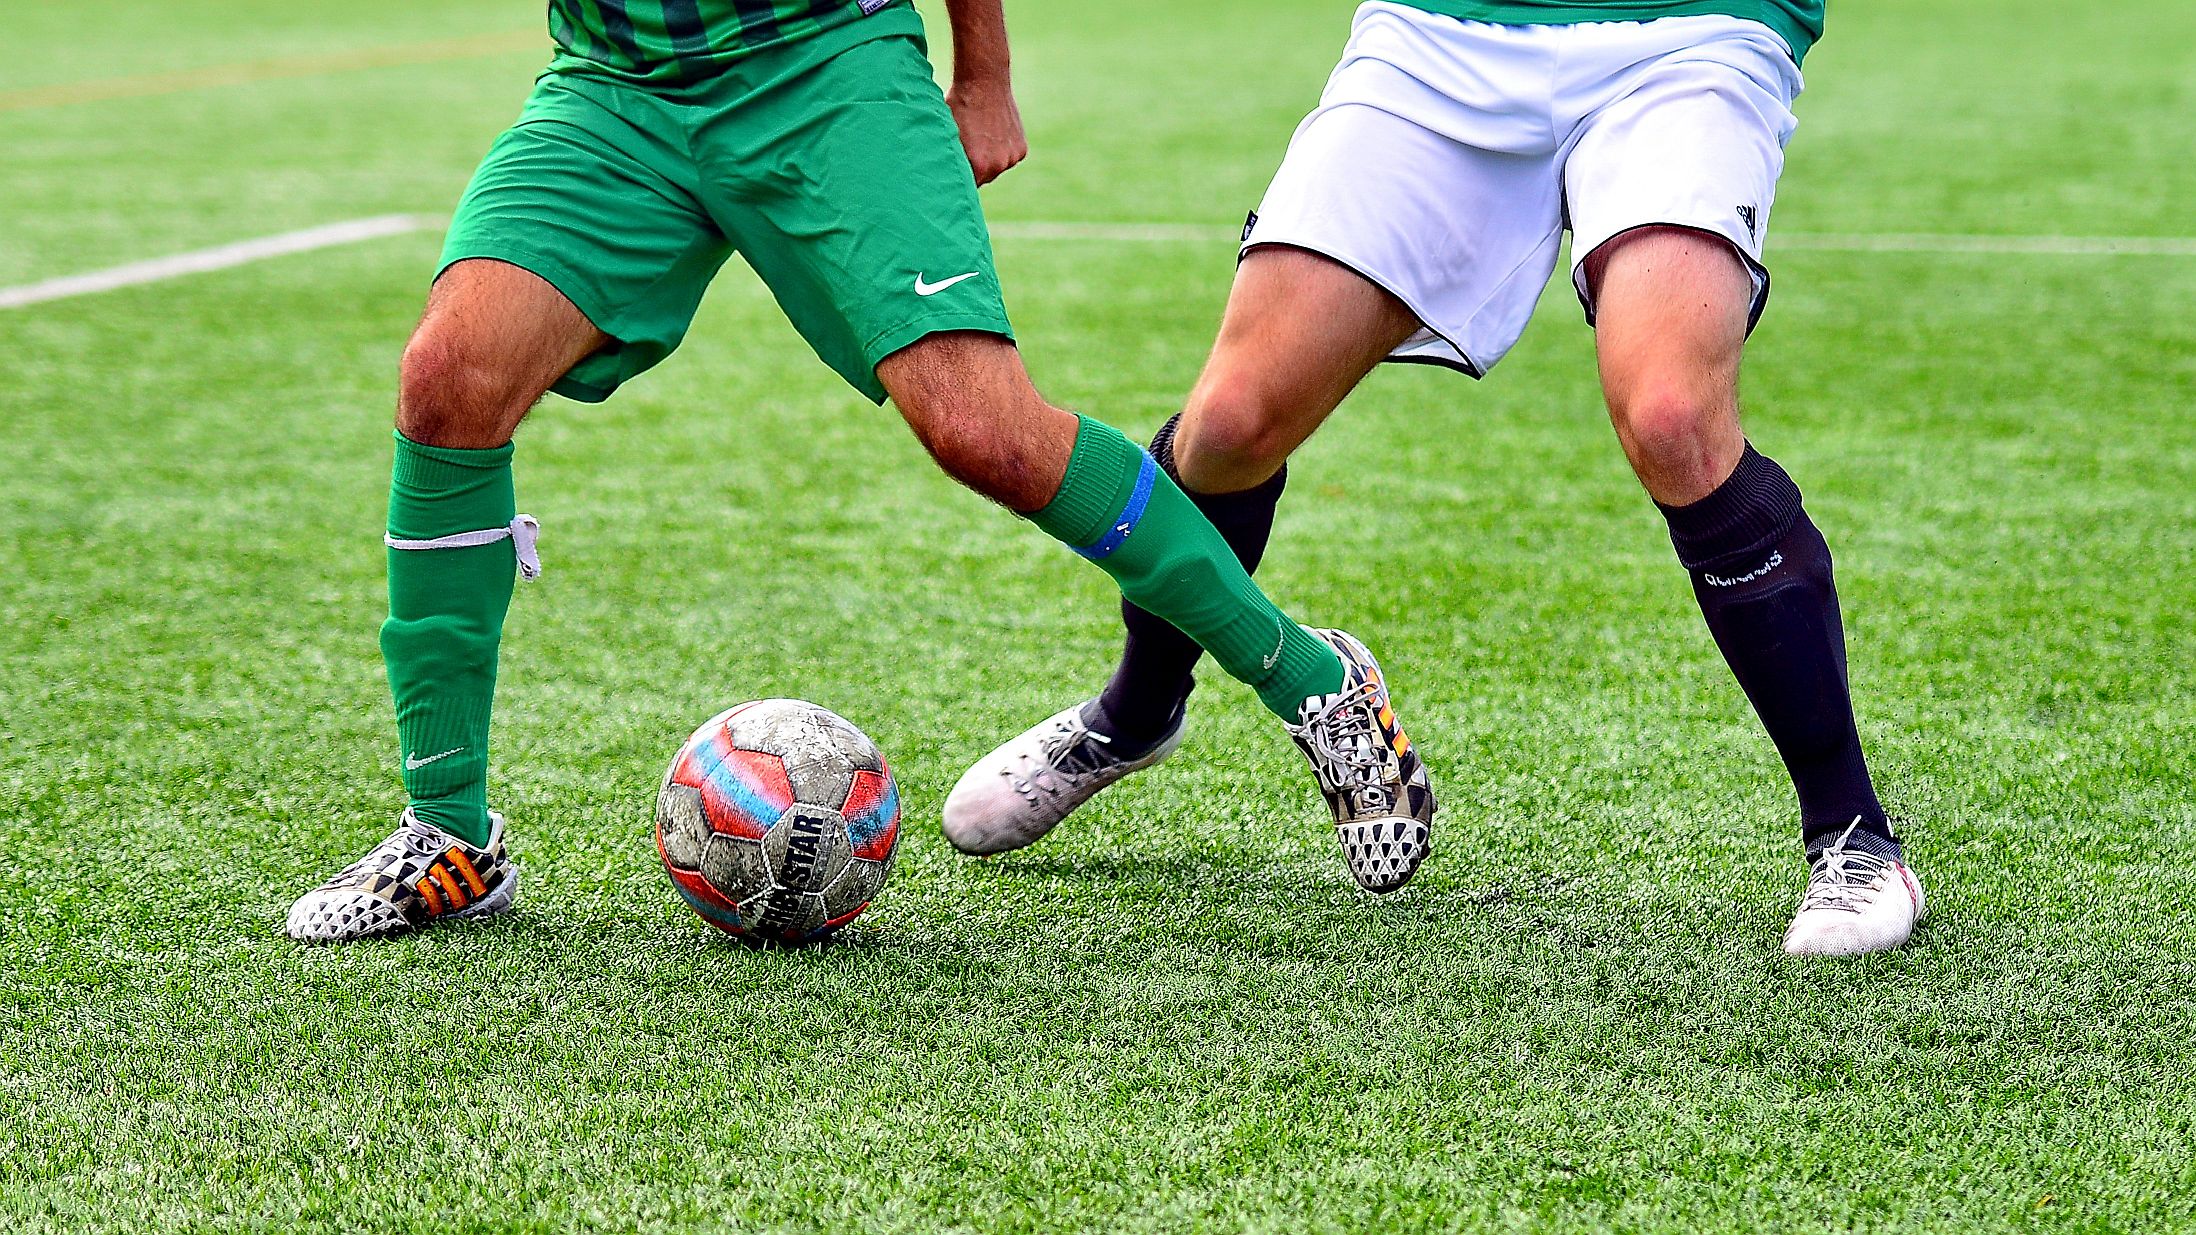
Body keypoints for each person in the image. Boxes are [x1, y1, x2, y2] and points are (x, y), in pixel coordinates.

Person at [284, 0, 1435, 944]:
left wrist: (984, 72)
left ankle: (1310, 678)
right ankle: (450, 834)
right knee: (448, 380)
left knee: (984, 428)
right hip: (616, 84)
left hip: (828, 59)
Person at [944, 0, 1925, 956]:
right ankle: (1136, 711)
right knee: (1232, 423)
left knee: (1675, 420)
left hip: (1691, 31)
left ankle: (1853, 833)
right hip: (1442, 32)